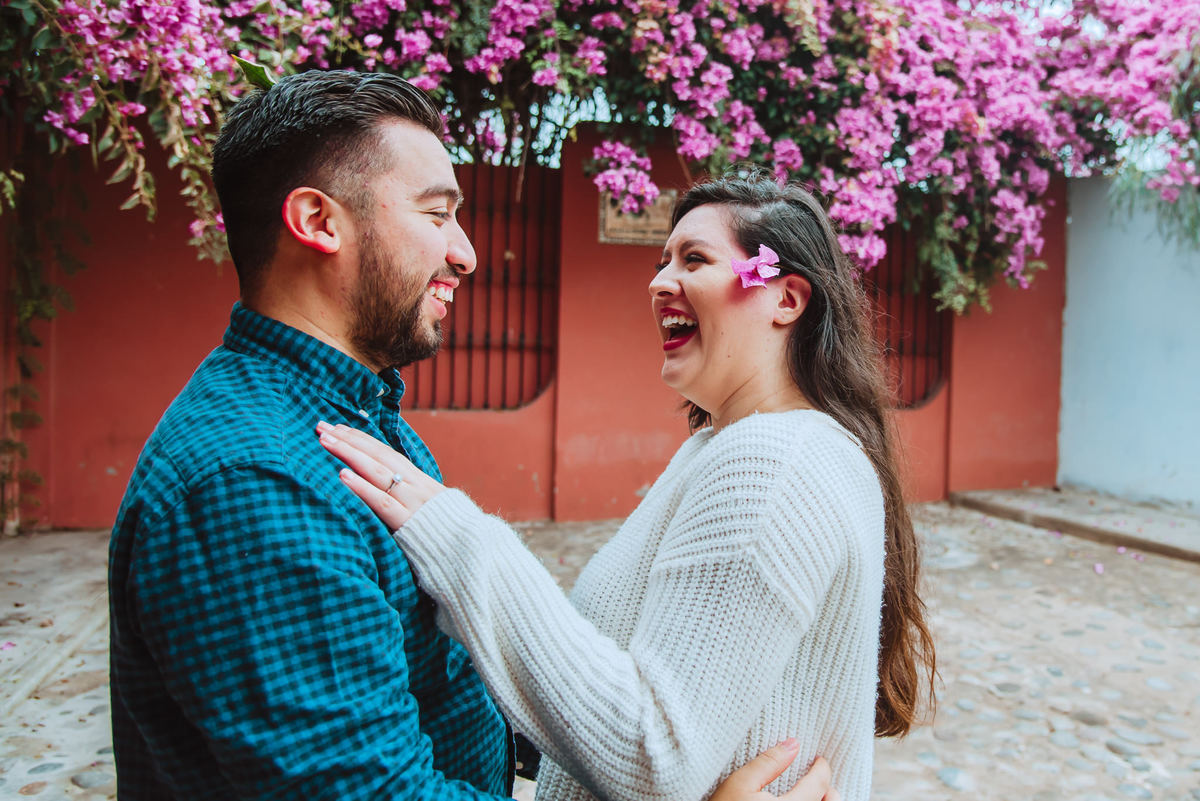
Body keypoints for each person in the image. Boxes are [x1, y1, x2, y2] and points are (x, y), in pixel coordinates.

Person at [109, 69, 836, 801]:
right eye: (436, 215)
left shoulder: (354, 414)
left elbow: (432, 671)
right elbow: (375, 792)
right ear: (318, 221)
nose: (466, 253)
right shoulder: (255, 483)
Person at [319, 173, 937, 801]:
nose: (659, 282)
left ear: (786, 299)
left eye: (693, 259)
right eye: (662, 260)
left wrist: (460, 539)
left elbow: (653, 759)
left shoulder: (773, 464)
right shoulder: (736, 445)